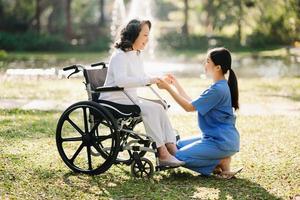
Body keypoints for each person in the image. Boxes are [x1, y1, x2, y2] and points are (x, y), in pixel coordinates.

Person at [99, 19, 184, 167]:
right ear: (134, 35)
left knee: (159, 106)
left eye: (148, 35)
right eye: (145, 35)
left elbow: (142, 76)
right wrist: (150, 80)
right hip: (113, 100)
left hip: (128, 99)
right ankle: (162, 153)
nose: (147, 39)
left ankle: (171, 147)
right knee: (150, 109)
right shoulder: (120, 55)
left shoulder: (135, 54)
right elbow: (121, 81)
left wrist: (158, 78)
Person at [156, 47, 242, 178]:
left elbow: (189, 107)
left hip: (221, 141)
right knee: (176, 145)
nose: (205, 64)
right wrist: (175, 84)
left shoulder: (218, 90)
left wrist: (168, 88)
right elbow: (193, 103)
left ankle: (220, 161)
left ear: (217, 67)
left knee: (176, 155)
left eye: (208, 61)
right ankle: (219, 162)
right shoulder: (219, 86)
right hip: (215, 137)